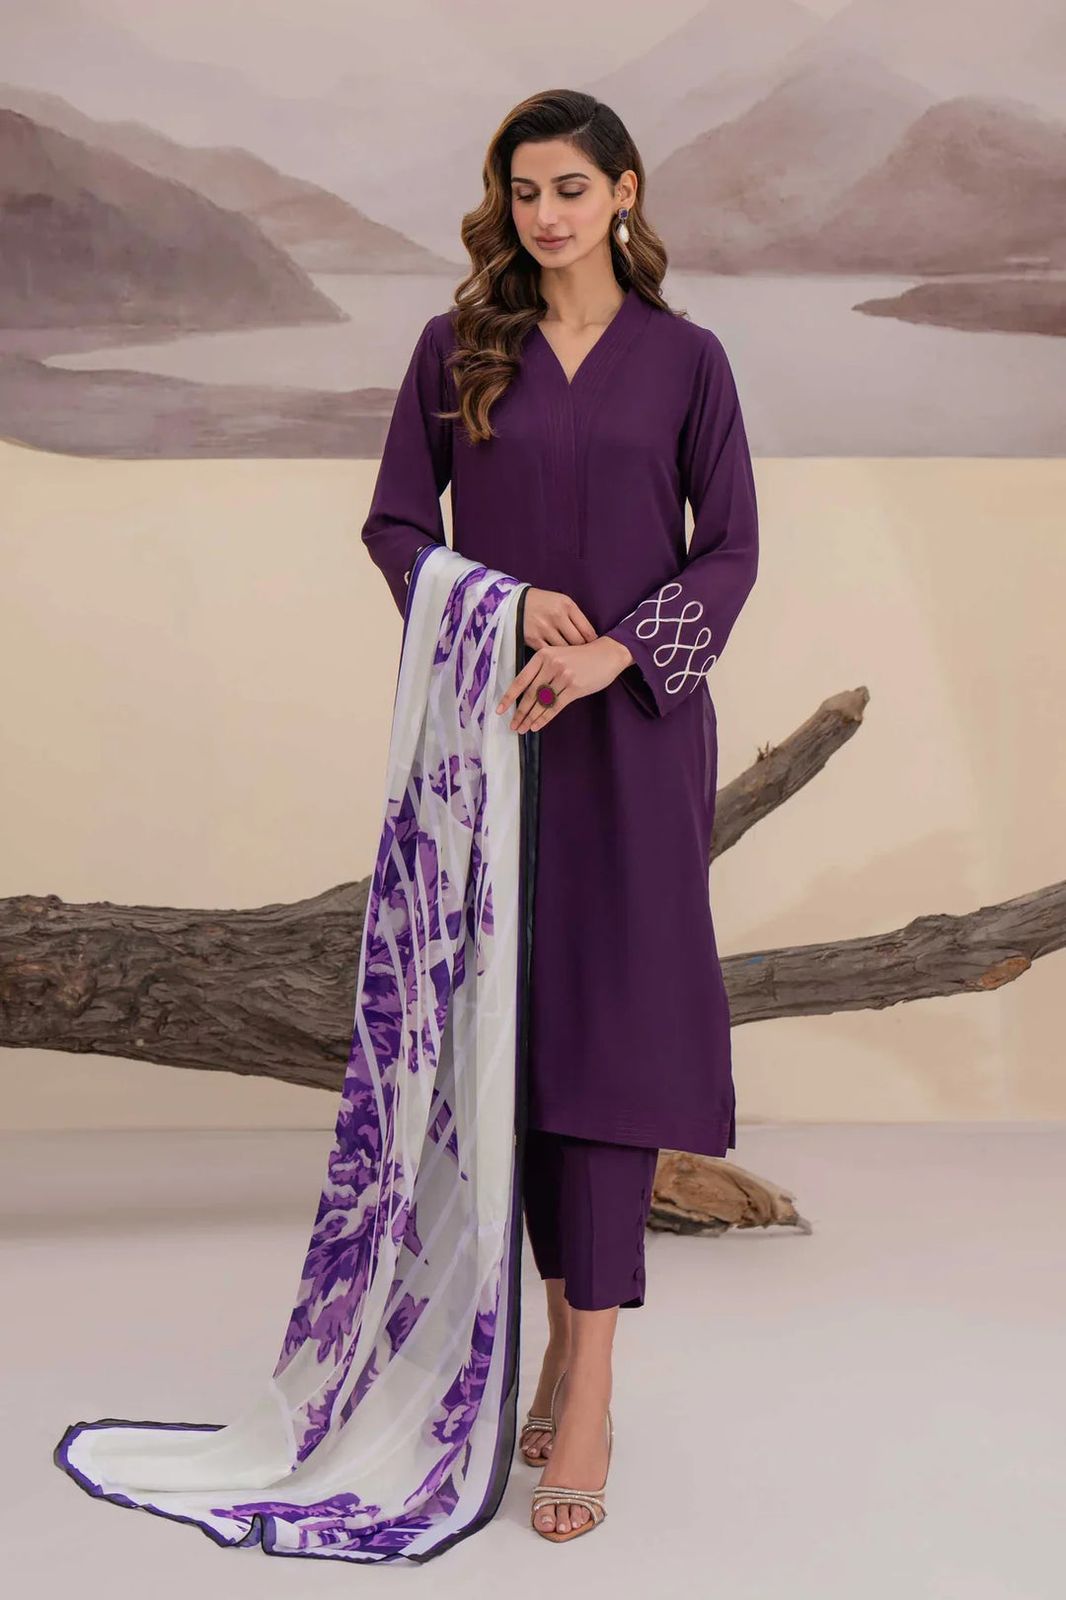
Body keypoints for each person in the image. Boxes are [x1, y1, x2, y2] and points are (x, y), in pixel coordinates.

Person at [361, 87, 759, 1544]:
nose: (545, 215)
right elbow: (398, 529)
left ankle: (590, 1374)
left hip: (635, 741)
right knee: (513, 1040)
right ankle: (545, 1338)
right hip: (488, 740)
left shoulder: (688, 362)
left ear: (624, 193)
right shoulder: (457, 348)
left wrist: (612, 654)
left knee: (614, 1043)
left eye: (571, 189)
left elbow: (730, 551)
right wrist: (508, 603)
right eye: (523, 190)